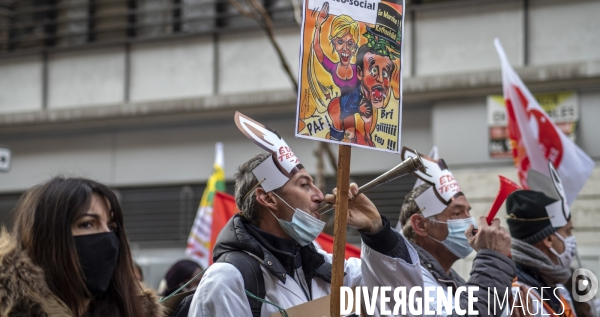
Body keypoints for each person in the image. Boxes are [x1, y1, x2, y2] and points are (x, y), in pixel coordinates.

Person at [187, 112, 424, 317]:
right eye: (304, 185)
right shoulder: (228, 281)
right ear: (268, 198)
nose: (320, 195)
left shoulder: (332, 269)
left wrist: (377, 232)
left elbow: (404, 305)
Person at [0, 176, 164, 317]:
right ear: (48, 238)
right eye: (87, 224)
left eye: (112, 227)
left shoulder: (135, 311)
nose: (108, 237)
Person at [398, 148, 516, 316]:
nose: (470, 222)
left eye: (468, 211)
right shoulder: (410, 278)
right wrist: (492, 258)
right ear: (421, 225)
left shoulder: (450, 280)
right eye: (457, 213)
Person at [506, 189, 579, 317]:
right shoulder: (518, 295)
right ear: (549, 239)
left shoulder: (555, 286)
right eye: (567, 232)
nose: (571, 237)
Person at [311, 1, 361, 141]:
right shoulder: (333, 68)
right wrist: (319, 24)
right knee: (335, 109)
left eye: (350, 43)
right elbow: (317, 48)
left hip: (353, 106)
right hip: (340, 107)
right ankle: (337, 135)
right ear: (333, 43)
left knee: (350, 131)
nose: (345, 48)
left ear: (355, 47)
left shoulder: (358, 69)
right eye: (340, 42)